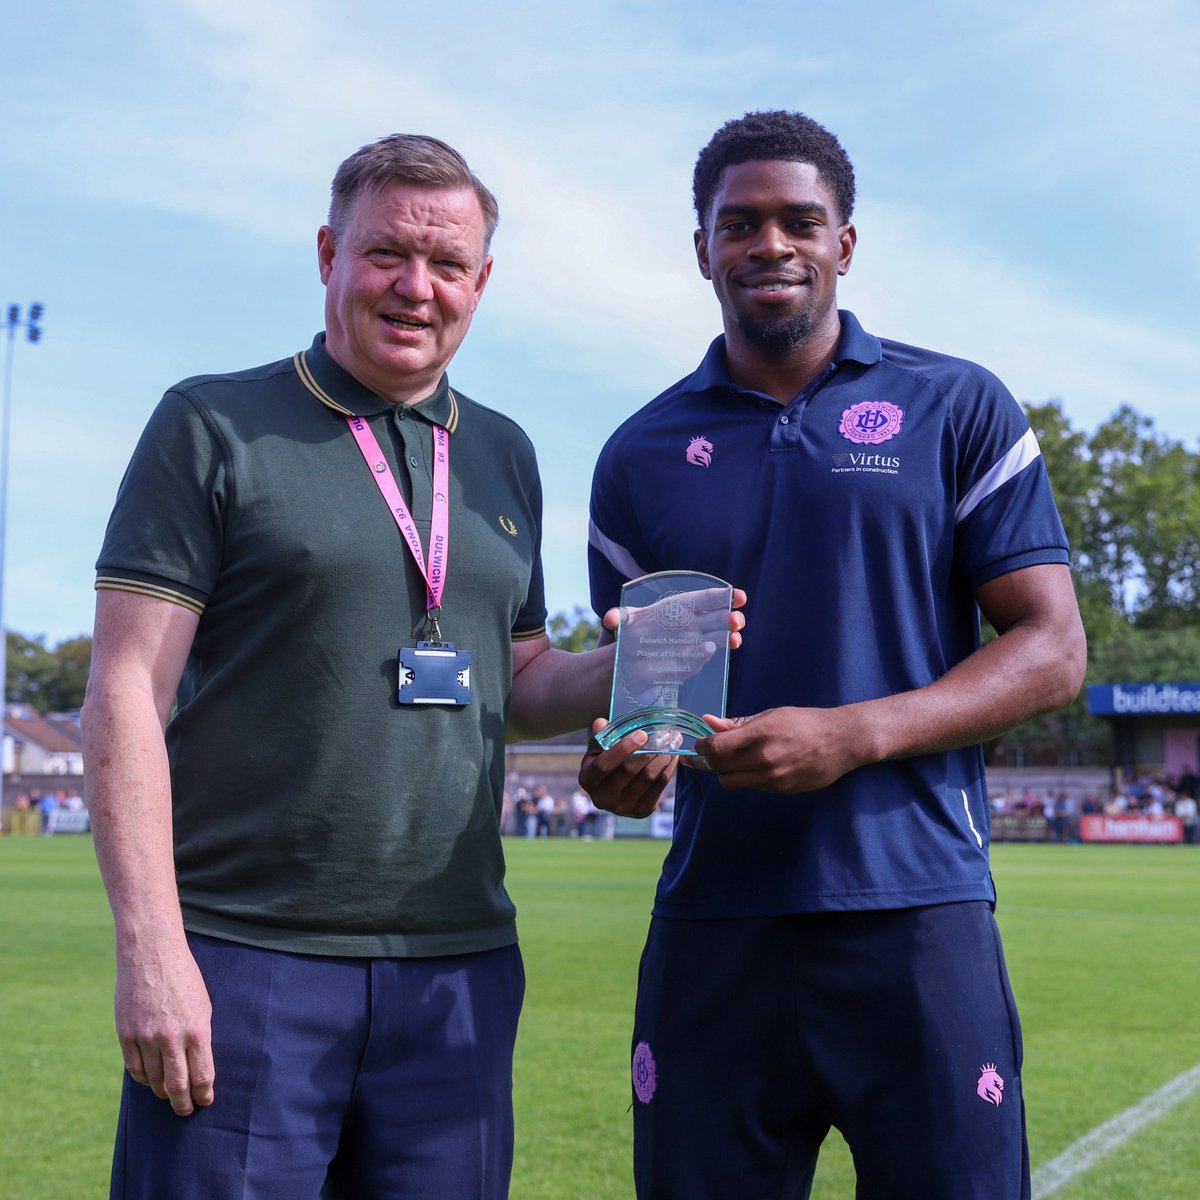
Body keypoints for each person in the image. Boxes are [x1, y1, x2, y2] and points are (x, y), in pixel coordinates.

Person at [81, 132, 705, 1200]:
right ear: (328, 253)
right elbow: (123, 690)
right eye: (385, 254)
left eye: (448, 264)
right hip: (244, 958)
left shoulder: (504, 451)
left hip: (455, 966)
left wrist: (646, 655)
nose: (417, 287)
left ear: (482, 281)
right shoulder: (211, 423)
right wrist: (152, 952)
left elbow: (520, 682)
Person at [581, 110, 1087, 1200]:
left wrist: (854, 735)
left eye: (800, 221)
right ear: (703, 248)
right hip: (716, 921)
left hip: (916, 910)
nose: (772, 244)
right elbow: (645, 708)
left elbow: (1053, 650)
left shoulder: (953, 403)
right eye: (741, 223)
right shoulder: (638, 454)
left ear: (844, 242)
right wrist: (621, 773)